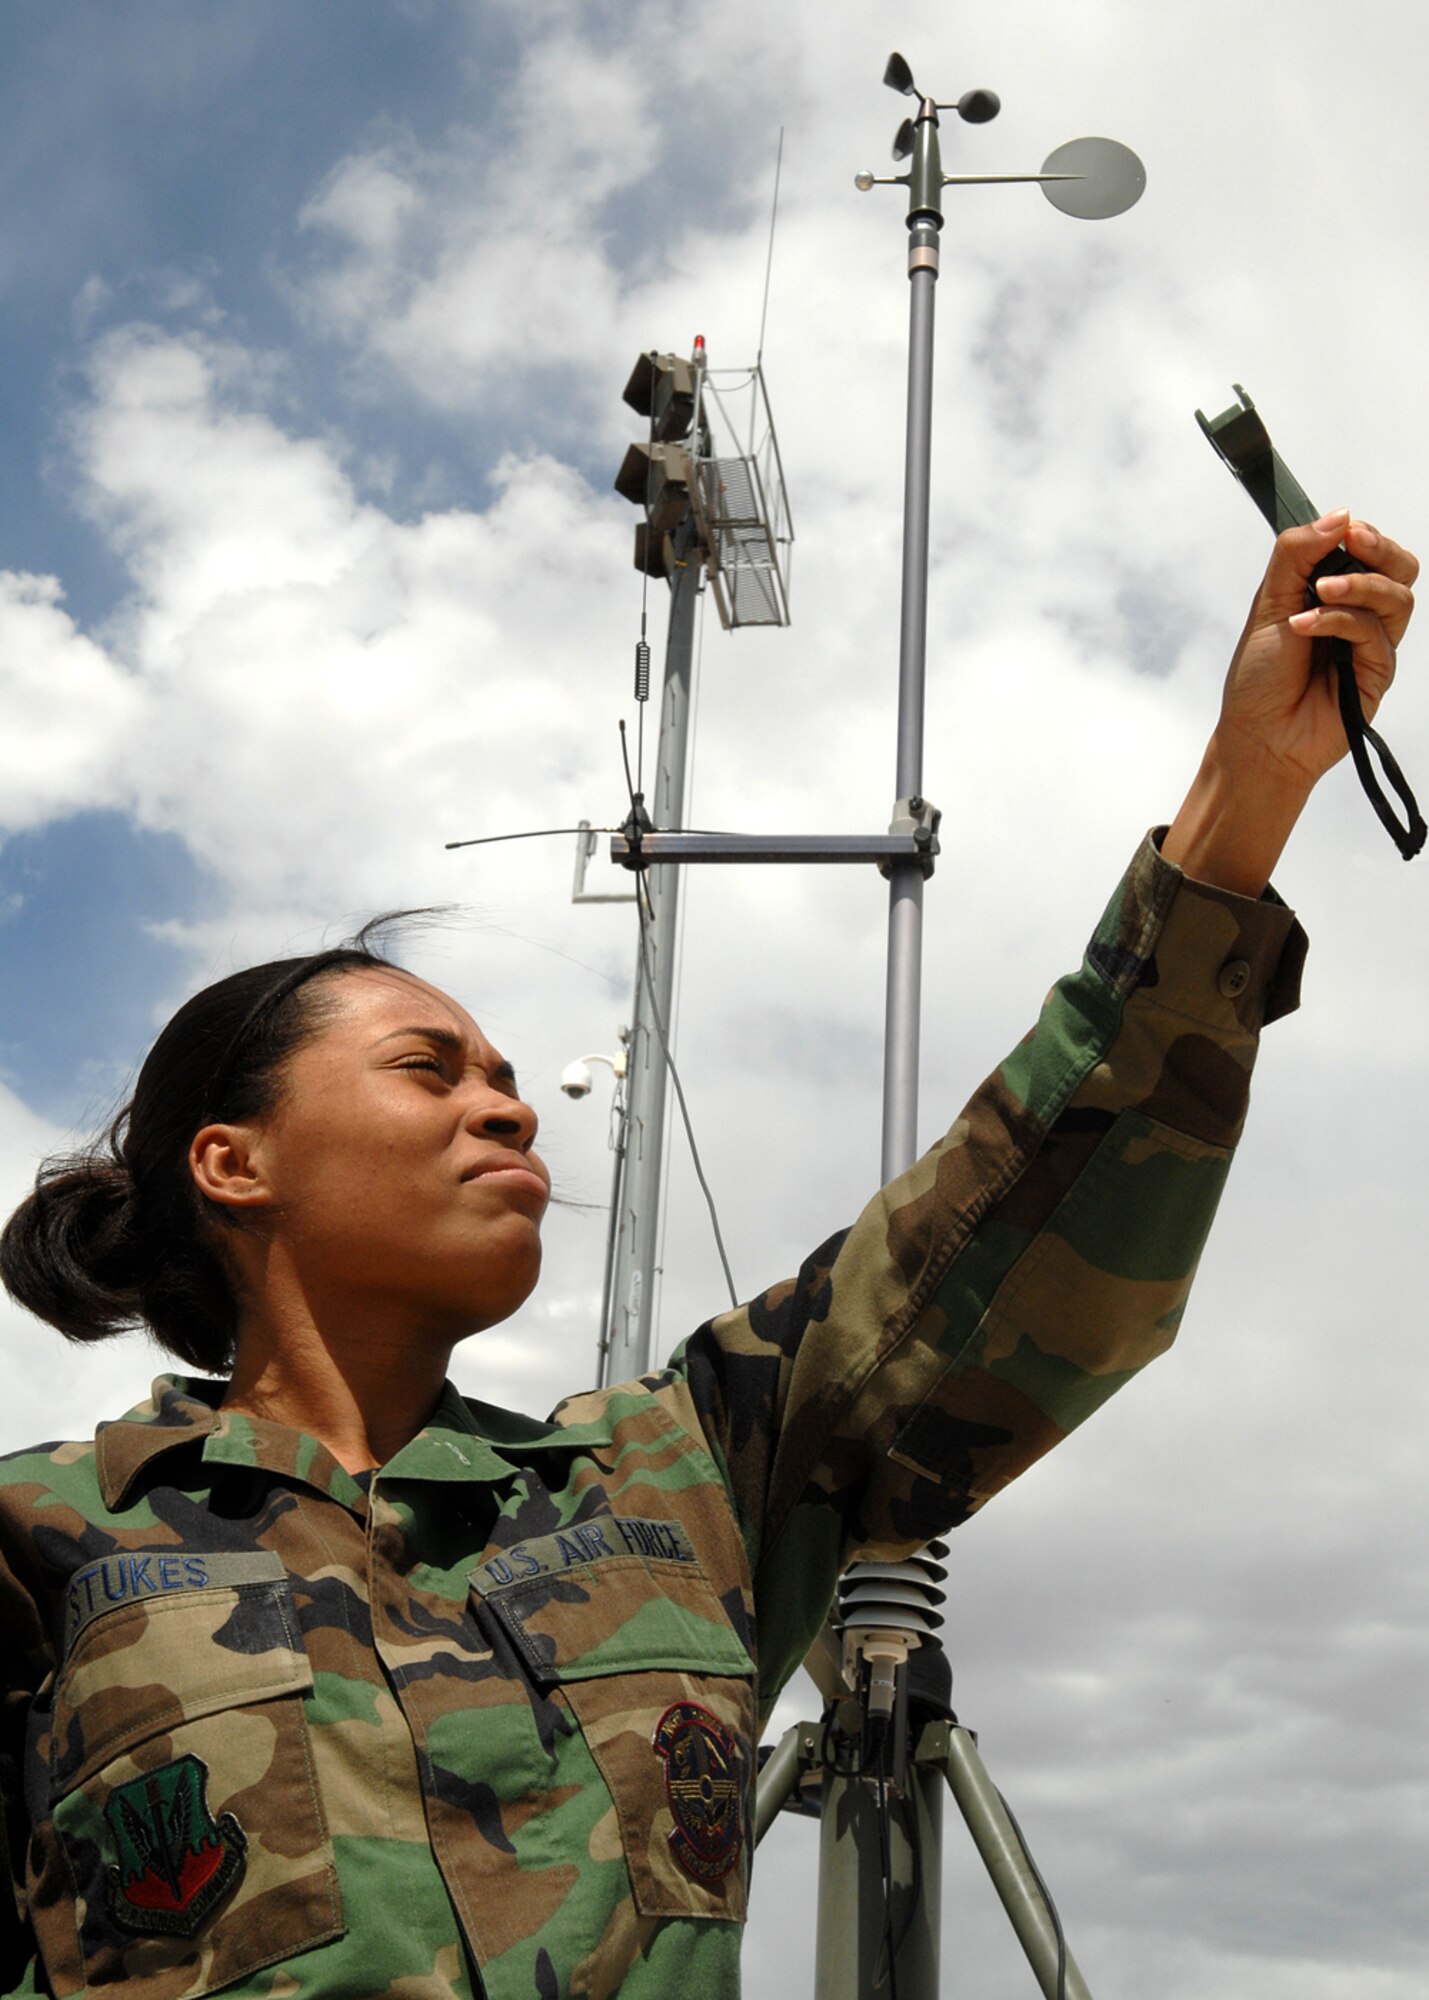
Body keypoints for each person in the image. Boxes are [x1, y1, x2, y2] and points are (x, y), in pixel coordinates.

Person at [0, 512, 1415, 2000]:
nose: (508, 1099)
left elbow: (987, 1240)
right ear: (237, 1162)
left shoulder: (679, 1480)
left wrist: (1244, 786)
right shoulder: (45, 1540)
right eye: (429, 1069)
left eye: (503, 1072)